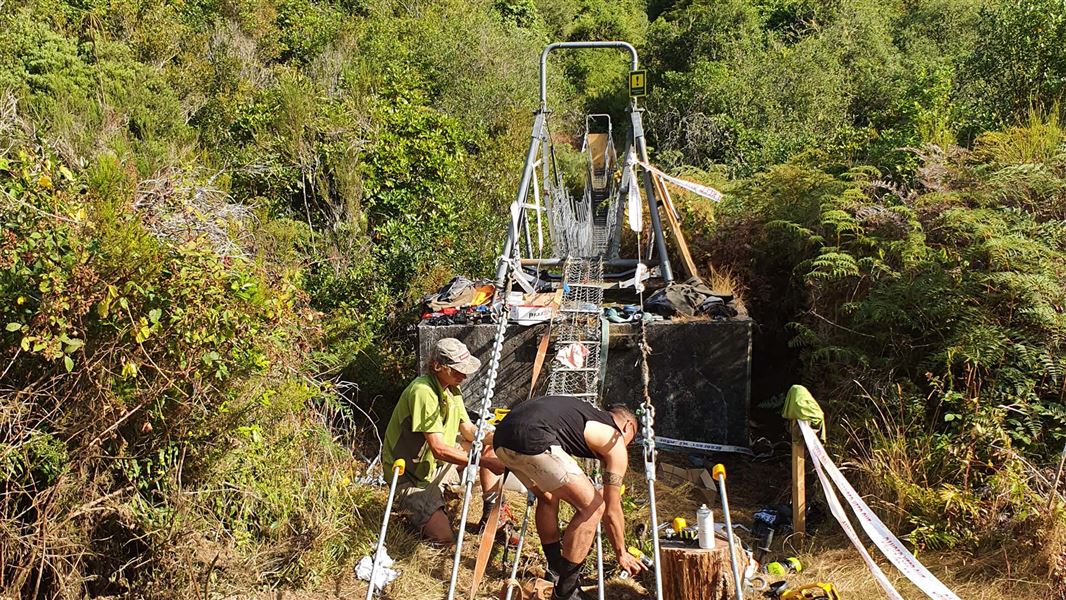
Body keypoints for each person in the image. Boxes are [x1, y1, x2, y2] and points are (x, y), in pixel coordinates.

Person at [492, 395, 647, 599]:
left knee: (547, 498)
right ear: (628, 426)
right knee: (593, 507)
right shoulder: (615, 440)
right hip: (535, 435)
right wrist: (621, 552)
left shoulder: (582, 416)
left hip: (502, 439)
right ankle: (567, 591)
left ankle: (555, 571)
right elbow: (611, 509)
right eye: (632, 439)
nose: (628, 445)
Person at [382, 338, 506, 544]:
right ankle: (410, 510)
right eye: (457, 370)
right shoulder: (423, 392)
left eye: (465, 370)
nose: (464, 375)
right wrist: (486, 463)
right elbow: (438, 448)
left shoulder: (451, 388)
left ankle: (492, 515)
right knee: (444, 539)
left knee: (489, 447)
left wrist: (504, 438)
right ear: (437, 366)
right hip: (412, 476)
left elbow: (468, 430)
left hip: (436, 465)